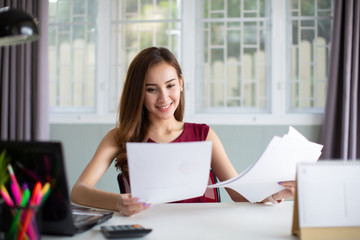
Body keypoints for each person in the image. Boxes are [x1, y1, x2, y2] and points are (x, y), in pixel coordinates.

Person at [71, 47, 295, 216]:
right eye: (151, 89)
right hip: (152, 230)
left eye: (170, 85)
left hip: (203, 231)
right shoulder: (119, 137)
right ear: (138, 92)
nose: (164, 98)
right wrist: (118, 202)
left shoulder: (204, 135)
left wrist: (274, 194)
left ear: (180, 83)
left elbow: (237, 193)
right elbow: (79, 191)